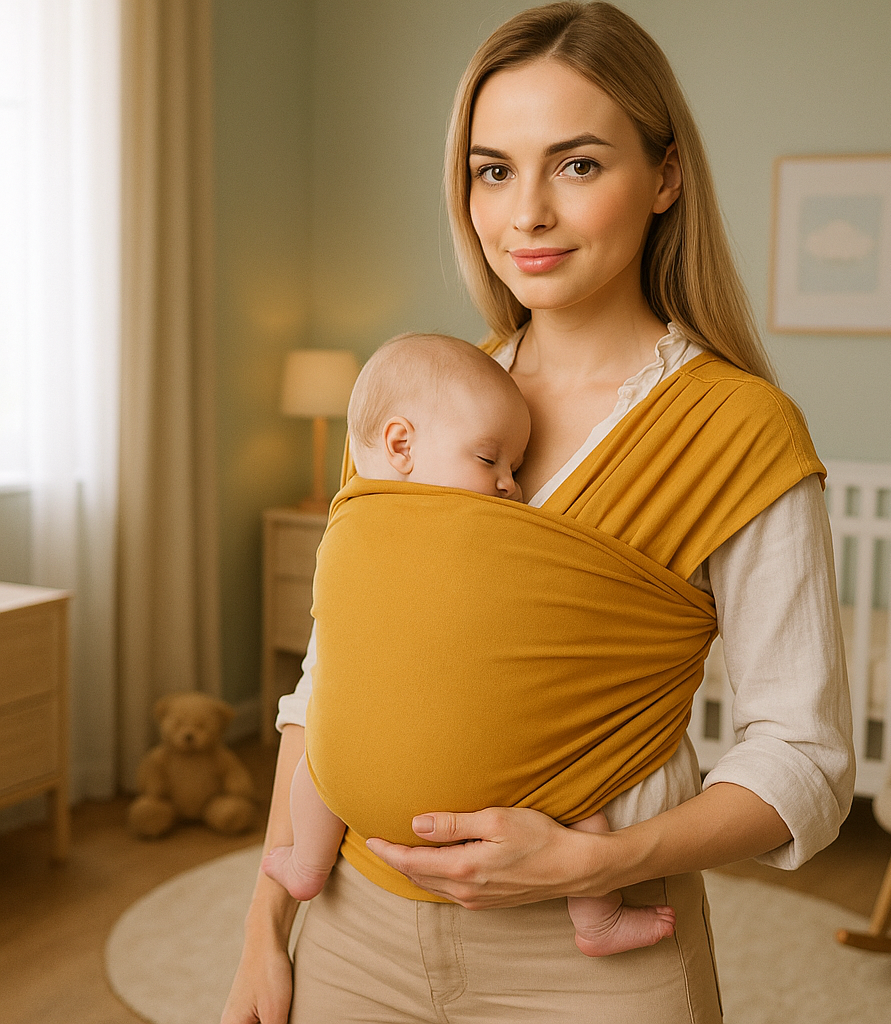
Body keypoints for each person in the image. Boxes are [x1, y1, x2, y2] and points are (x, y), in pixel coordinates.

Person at [222, 4, 854, 1022]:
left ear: (665, 176)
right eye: (493, 169)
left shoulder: (739, 429)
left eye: (577, 164)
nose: (525, 216)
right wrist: (264, 930)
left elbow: (805, 755)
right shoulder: (419, 406)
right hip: (356, 931)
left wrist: (594, 858)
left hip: (590, 961)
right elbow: (332, 679)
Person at [260, 330, 677, 957]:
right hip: (447, 779)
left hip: (422, 781)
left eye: (513, 467)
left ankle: (306, 864)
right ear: (401, 445)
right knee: (581, 801)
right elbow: (330, 660)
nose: (510, 485)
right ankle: (598, 920)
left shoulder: (354, 523)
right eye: (490, 462)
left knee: (323, 770)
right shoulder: (356, 526)